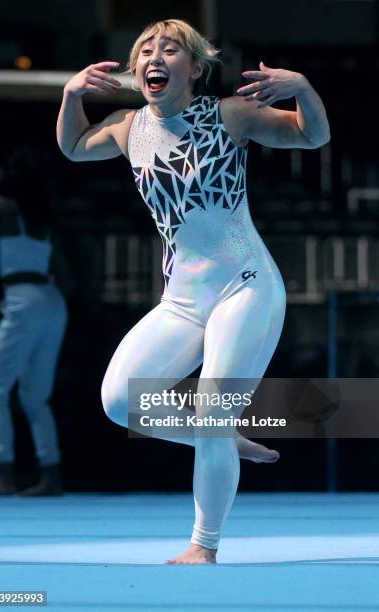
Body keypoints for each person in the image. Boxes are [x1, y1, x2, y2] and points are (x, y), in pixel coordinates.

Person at [57, 19, 330, 563]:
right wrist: (71, 95)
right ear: (137, 72)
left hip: (245, 286)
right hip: (182, 299)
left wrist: (302, 89)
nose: (154, 56)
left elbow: (311, 135)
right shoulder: (127, 127)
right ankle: (221, 436)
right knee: (119, 401)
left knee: (211, 409)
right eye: (145, 50)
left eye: (170, 49)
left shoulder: (230, 115)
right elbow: (73, 147)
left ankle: (203, 545)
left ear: (196, 68)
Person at [0, 146, 73, 497]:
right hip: (52, 301)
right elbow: (67, 276)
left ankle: (5, 473)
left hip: (21, 298)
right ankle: (51, 473)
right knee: (35, 395)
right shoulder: (44, 219)